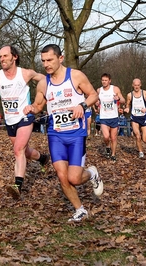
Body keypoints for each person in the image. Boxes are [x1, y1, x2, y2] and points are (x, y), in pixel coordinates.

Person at [23, 44, 103, 222]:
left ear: (60, 58)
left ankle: (91, 173)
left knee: (74, 178)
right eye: (43, 61)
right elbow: (38, 106)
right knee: (61, 175)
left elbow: (93, 95)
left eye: (50, 60)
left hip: (76, 134)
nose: (46, 64)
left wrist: (82, 106)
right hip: (55, 134)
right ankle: (80, 210)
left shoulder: (75, 76)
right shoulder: (43, 83)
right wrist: (31, 108)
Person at [0, 45, 50, 200]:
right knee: (25, 151)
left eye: (5, 56)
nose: (2, 59)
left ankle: (17, 186)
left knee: (18, 150)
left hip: (25, 117)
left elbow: (46, 80)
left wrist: (38, 102)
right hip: (10, 120)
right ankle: (43, 159)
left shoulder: (25, 74)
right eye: (0, 57)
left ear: (14, 57)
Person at [124, 78, 146, 158]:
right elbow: (127, 104)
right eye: (135, 85)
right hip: (134, 118)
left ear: (140, 85)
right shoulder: (129, 95)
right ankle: (141, 152)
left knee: (145, 140)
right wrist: (127, 108)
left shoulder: (145, 93)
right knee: (138, 136)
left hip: (143, 117)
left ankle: (141, 135)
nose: (137, 87)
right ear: (132, 85)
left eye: (138, 85)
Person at [97, 73, 126, 162]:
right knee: (106, 137)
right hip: (104, 117)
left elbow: (123, 100)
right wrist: (96, 103)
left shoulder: (115, 89)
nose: (104, 82)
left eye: (106, 80)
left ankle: (113, 154)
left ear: (109, 81)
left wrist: (118, 99)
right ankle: (107, 146)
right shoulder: (99, 90)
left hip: (113, 117)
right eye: (103, 80)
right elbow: (96, 100)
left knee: (113, 138)